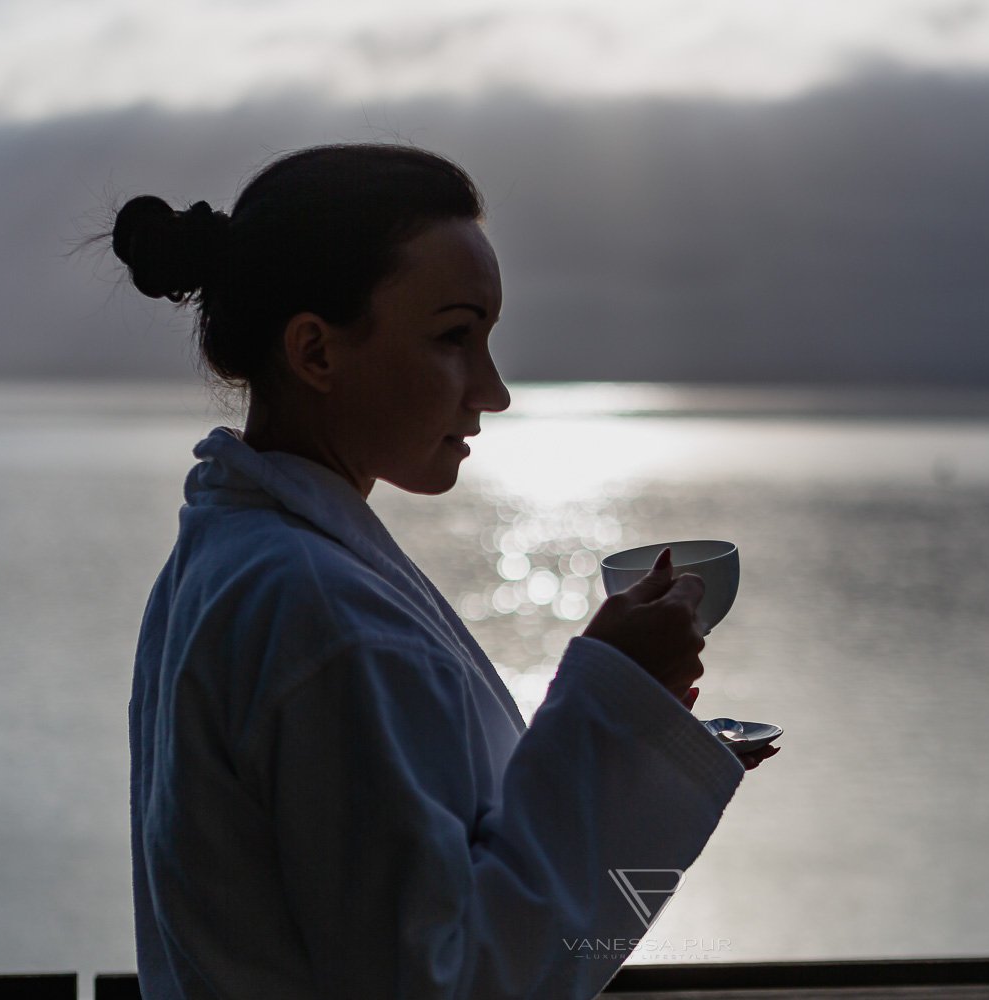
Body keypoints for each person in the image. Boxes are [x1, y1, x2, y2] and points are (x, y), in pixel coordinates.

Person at [114, 143, 779, 1000]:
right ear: (316, 352)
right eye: (454, 337)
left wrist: (633, 717)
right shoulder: (325, 616)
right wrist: (612, 709)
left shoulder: (235, 564)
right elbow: (446, 980)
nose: (493, 391)